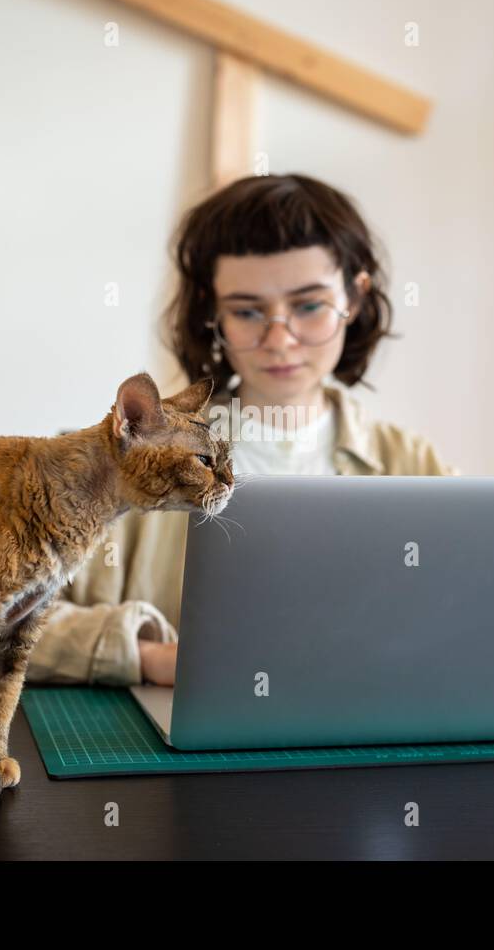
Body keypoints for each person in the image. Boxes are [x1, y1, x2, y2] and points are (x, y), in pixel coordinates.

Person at [26, 174, 458, 687]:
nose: (279, 340)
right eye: (248, 311)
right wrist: (146, 657)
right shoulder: (122, 458)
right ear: (214, 314)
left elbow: (470, 621)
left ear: (356, 298)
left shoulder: (414, 466)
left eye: (309, 305)